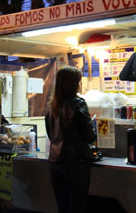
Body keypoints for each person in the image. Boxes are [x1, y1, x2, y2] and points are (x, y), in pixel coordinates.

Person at [45, 66, 96, 213]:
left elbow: (51, 135)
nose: (80, 84)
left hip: (55, 163)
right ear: (73, 84)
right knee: (76, 207)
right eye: (79, 81)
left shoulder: (51, 107)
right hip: (76, 165)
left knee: (63, 207)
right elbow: (89, 136)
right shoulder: (79, 104)